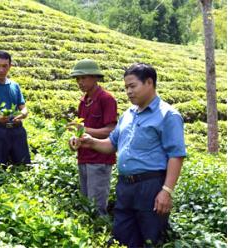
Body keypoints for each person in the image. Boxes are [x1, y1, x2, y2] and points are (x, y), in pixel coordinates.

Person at [71, 63, 186, 247]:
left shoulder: (168, 115)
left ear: (149, 83)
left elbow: (176, 155)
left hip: (150, 186)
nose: (129, 92)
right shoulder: (128, 115)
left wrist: (166, 191)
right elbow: (112, 144)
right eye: (126, 88)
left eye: (133, 86)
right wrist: (91, 142)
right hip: (125, 185)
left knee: (150, 238)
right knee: (122, 237)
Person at [68, 59, 117, 216]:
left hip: (100, 159)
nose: (80, 82)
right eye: (78, 79)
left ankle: (101, 236)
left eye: (84, 78)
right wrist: (75, 139)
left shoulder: (106, 99)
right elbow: (83, 131)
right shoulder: (83, 101)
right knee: (86, 204)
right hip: (84, 157)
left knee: (96, 207)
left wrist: (84, 129)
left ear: (95, 77)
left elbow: (111, 130)